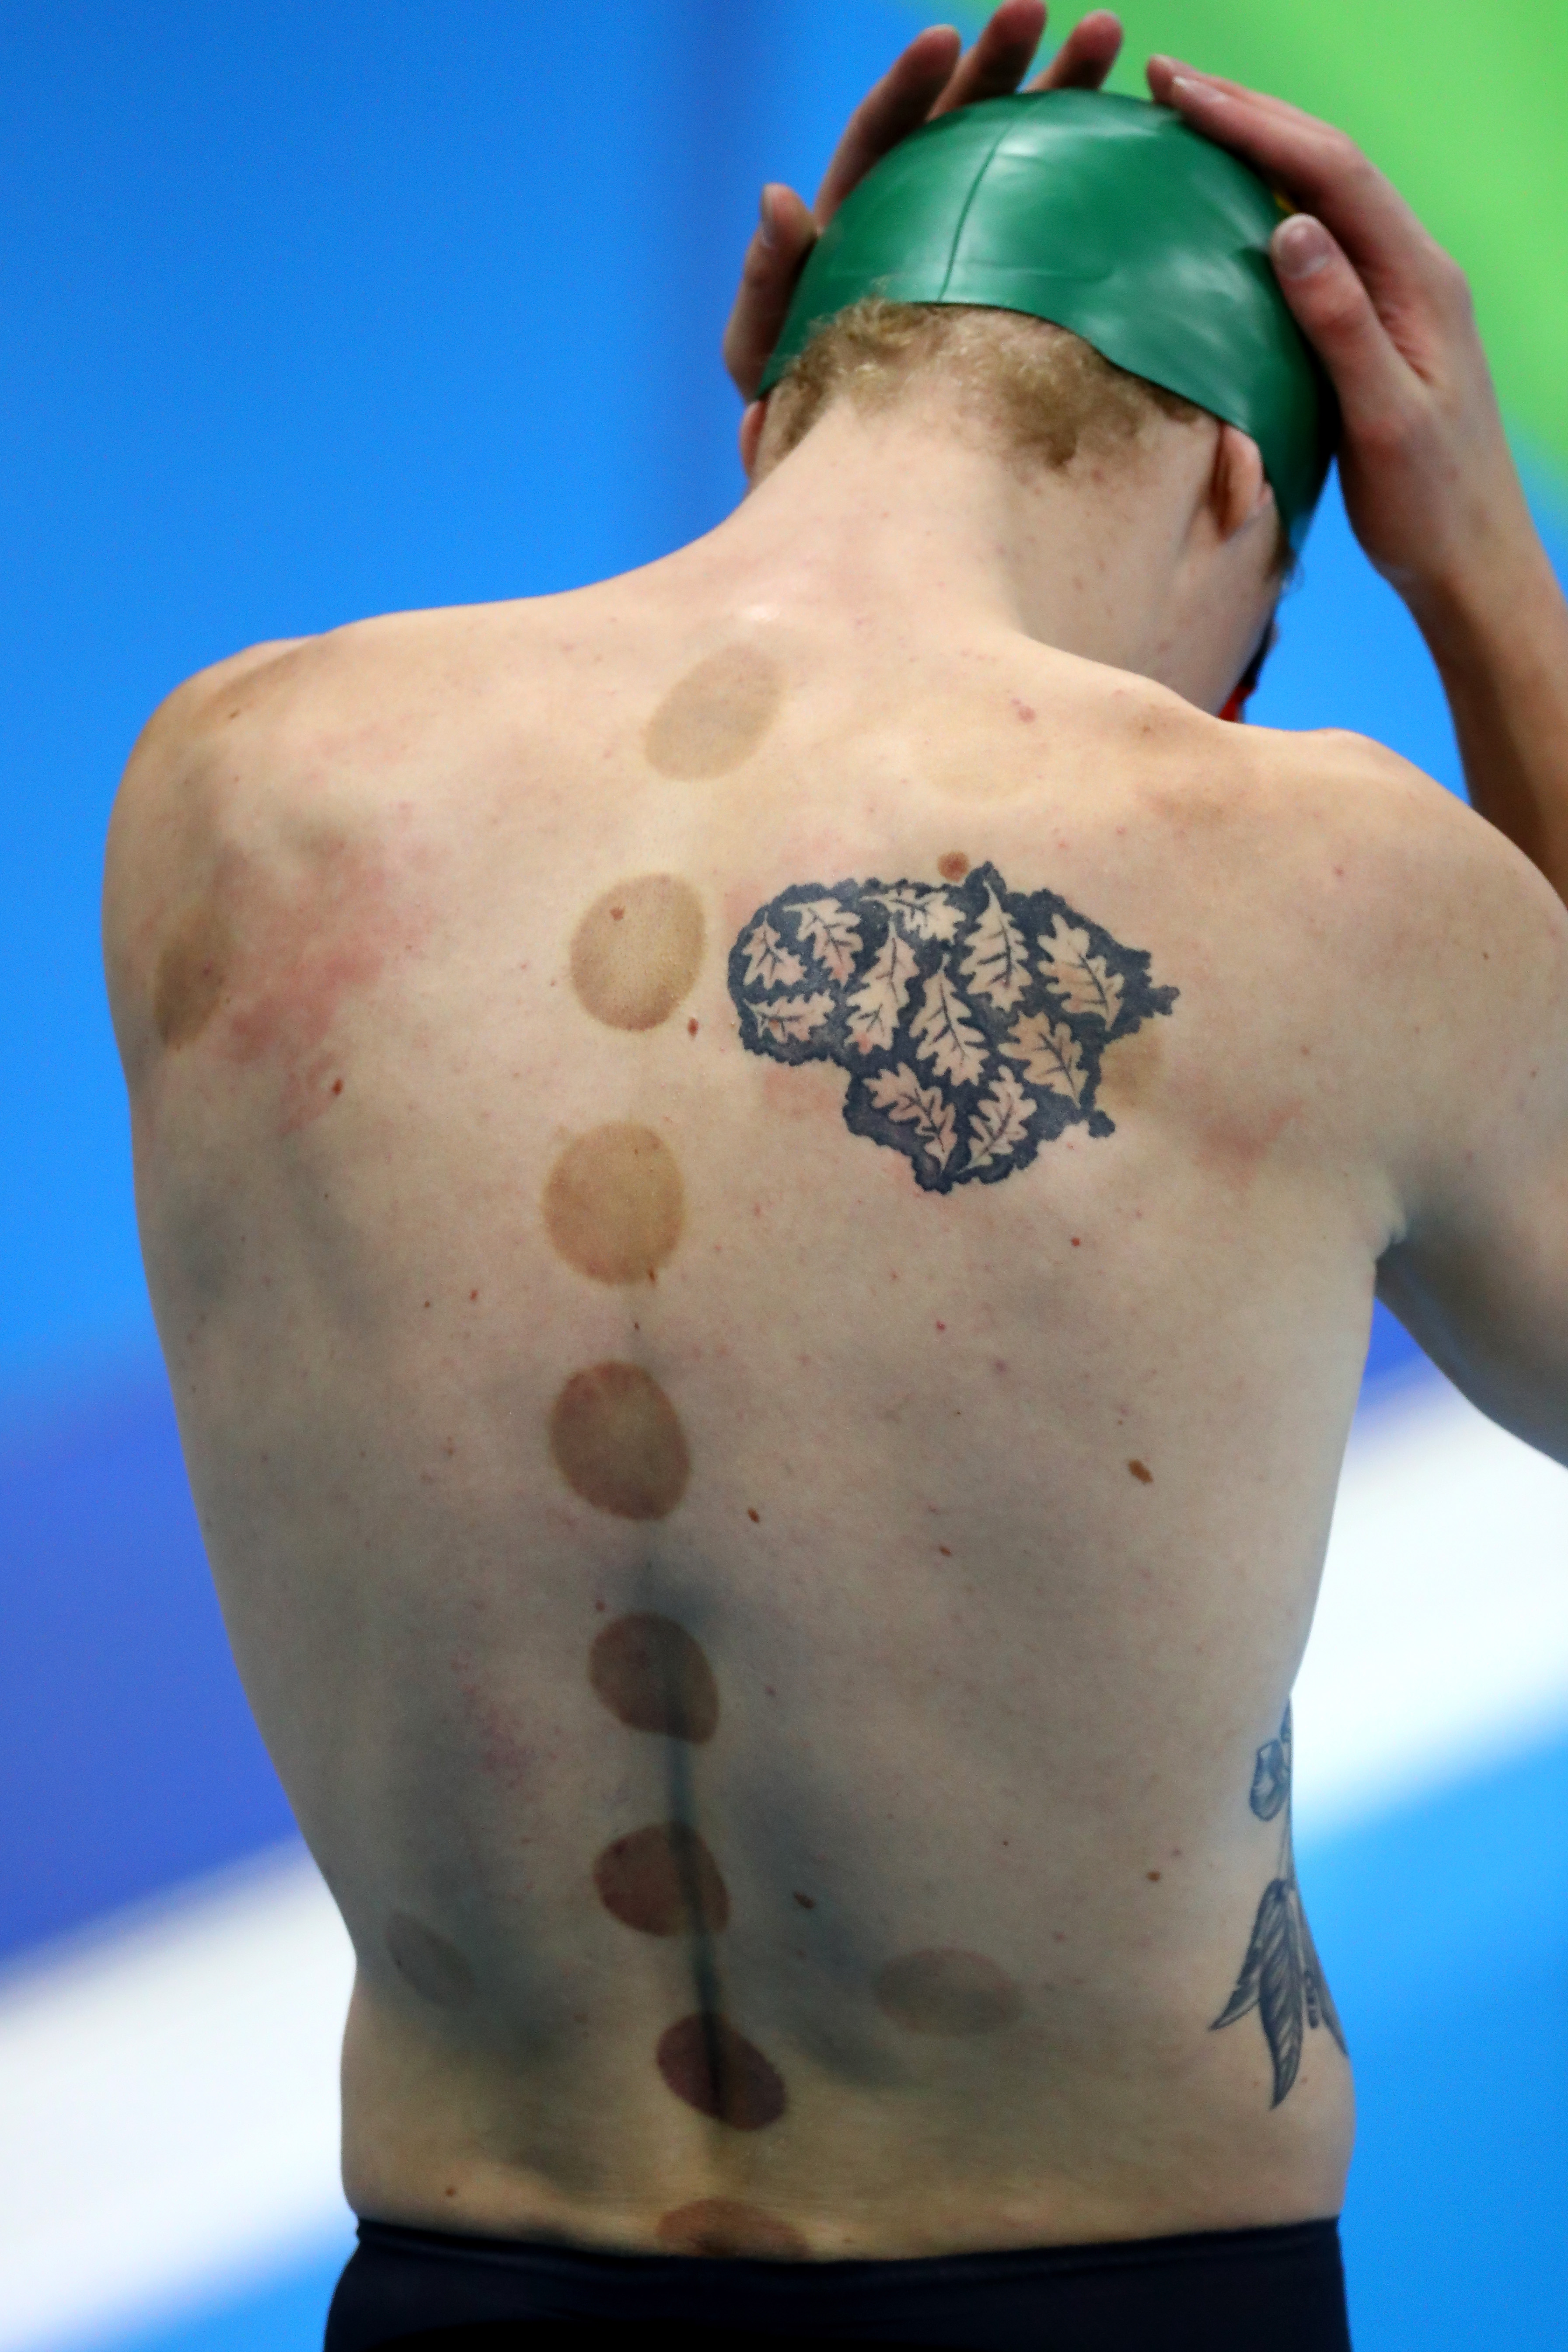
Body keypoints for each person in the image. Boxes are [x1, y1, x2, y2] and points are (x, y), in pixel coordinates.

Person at [102, 5, 1568, 2346]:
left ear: (772, 377)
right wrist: (1489, 581)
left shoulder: (230, 789)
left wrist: (809, 438)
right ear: (1228, 490)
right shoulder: (1331, 874)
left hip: (464, 2280)